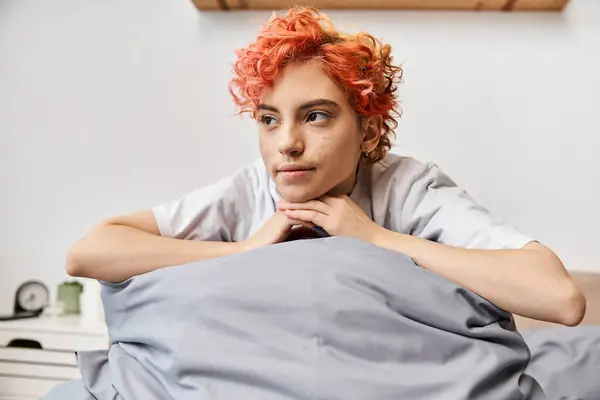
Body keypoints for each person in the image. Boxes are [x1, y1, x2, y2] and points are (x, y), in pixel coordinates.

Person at [66, 6, 585, 326]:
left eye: (315, 116)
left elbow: (561, 299)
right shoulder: (249, 191)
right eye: (269, 120)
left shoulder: (409, 189)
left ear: (369, 129)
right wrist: (243, 249)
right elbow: (89, 253)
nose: (286, 144)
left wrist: (376, 239)